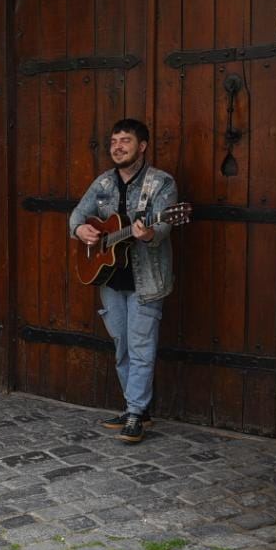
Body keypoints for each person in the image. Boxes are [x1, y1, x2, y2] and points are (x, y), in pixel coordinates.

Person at [69, 118, 177, 444]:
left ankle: (134, 413)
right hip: (110, 279)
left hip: (148, 281)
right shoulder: (103, 183)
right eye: (114, 141)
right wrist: (80, 230)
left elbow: (164, 227)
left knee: (142, 347)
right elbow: (76, 215)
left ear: (142, 146)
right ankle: (137, 409)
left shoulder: (161, 183)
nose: (117, 146)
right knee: (123, 347)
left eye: (125, 141)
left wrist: (149, 233)